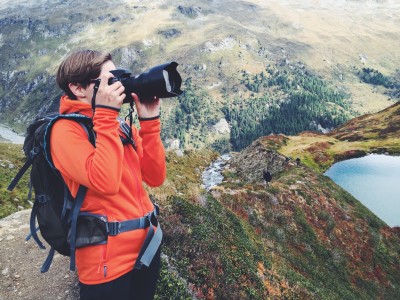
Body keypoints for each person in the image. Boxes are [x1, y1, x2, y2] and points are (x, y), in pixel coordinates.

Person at [52, 49, 166, 300]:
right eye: (109, 81)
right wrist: (105, 117)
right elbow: (106, 182)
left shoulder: (119, 125)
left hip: (147, 245)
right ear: (78, 88)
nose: (118, 87)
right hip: (105, 262)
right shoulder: (65, 131)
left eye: (118, 79)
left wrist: (149, 124)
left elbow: (155, 177)